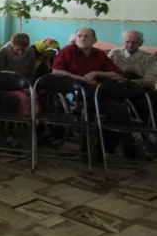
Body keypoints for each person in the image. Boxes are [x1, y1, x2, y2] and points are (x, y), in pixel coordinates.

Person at [52, 27, 127, 155]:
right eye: (80, 36)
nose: (82, 39)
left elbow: (118, 74)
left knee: (120, 111)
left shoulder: (99, 54)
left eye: (86, 36)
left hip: (97, 91)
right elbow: (56, 71)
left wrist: (96, 73)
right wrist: (82, 79)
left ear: (94, 40)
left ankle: (104, 147)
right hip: (74, 91)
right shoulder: (68, 50)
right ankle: (95, 146)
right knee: (105, 106)